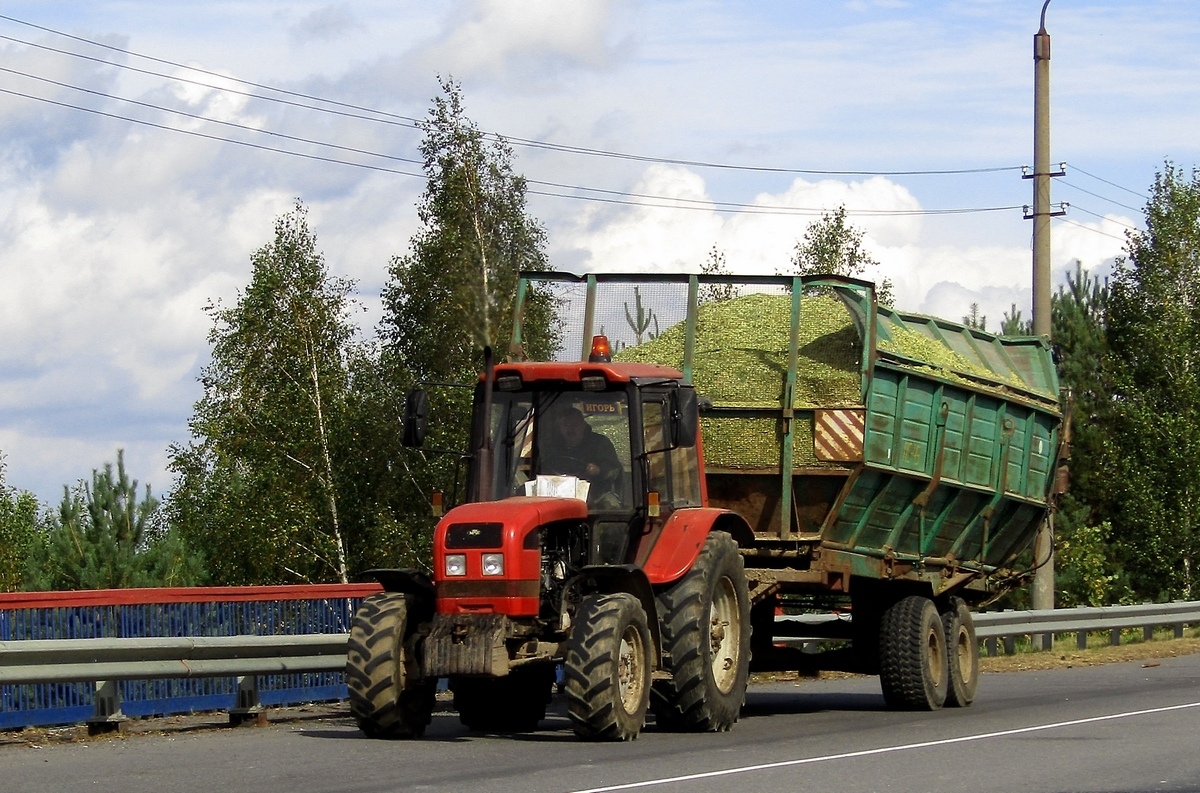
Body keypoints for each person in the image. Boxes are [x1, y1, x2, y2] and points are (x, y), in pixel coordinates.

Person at [539, 405, 623, 490]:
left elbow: (615, 470)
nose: (570, 429)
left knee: (610, 503)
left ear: (583, 425)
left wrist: (599, 470)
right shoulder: (553, 446)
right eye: (565, 425)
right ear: (560, 428)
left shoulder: (600, 443)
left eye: (574, 424)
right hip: (559, 490)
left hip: (597, 493)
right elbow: (544, 467)